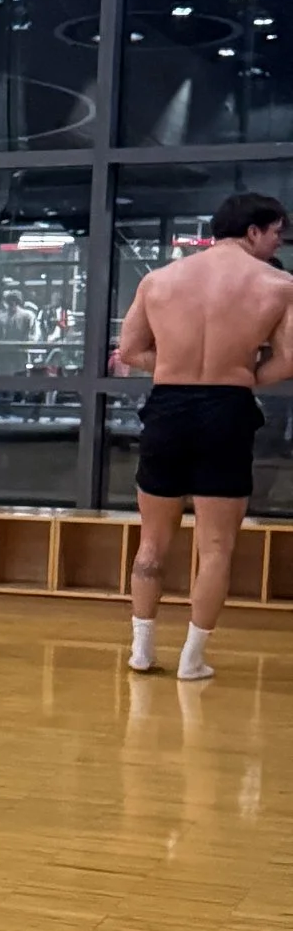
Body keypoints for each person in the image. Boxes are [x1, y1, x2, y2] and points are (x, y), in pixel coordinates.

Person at [113, 189, 293, 678]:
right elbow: (288, 360)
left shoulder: (159, 280)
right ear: (253, 231)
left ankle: (142, 651)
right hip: (226, 409)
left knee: (152, 542)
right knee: (215, 547)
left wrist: (175, 367)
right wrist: (238, 376)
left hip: (168, 407)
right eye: (276, 233)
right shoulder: (279, 285)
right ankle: (192, 661)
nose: (279, 242)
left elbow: (129, 351)